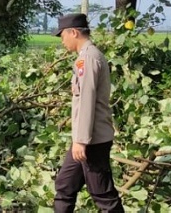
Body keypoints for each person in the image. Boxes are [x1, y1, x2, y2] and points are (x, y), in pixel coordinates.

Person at [52, 13, 124, 212]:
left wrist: (81, 140)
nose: (62, 41)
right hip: (85, 139)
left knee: (103, 195)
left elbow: (86, 100)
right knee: (65, 185)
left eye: (62, 36)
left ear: (73, 32)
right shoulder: (86, 57)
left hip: (92, 140)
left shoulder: (88, 59)